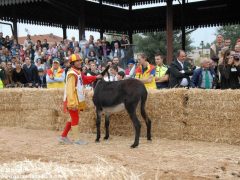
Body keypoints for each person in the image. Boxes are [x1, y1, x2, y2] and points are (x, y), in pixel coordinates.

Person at [58, 54, 102, 145]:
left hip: (76, 99)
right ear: (72, 63)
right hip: (72, 100)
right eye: (77, 61)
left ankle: (63, 136)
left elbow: (84, 79)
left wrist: (95, 77)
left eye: (80, 61)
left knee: (72, 118)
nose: (79, 62)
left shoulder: (77, 72)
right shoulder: (71, 74)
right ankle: (77, 140)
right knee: (75, 118)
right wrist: (72, 103)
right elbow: (70, 90)